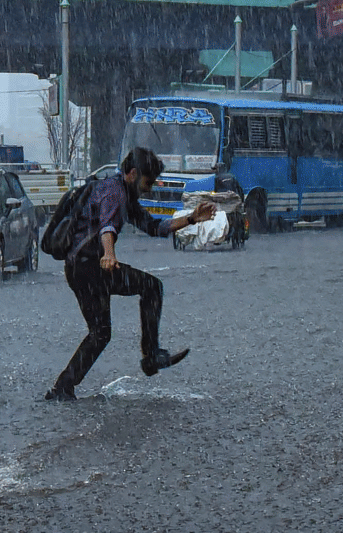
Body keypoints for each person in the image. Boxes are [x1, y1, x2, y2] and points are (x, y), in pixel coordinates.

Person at [45, 147, 215, 401]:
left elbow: (155, 227)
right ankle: (151, 356)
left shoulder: (124, 193)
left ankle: (62, 388)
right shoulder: (113, 192)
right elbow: (107, 226)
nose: (150, 187)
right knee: (150, 288)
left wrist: (191, 219)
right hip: (91, 267)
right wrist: (109, 254)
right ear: (133, 173)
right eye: (148, 181)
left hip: (85, 269)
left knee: (101, 332)